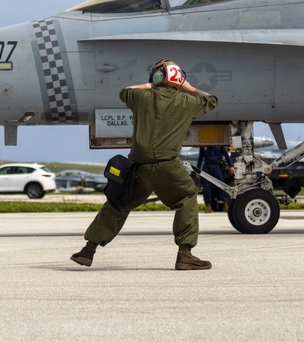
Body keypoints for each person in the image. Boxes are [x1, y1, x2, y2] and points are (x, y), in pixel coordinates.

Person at [71, 59, 218, 270]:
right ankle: (184, 254)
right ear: (178, 81)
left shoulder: (141, 97)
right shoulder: (188, 103)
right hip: (169, 166)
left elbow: (124, 92)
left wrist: (150, 85)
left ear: (158, 78)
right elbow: (211, 100)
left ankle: (88, 250)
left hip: (139, 166)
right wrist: (188, 88)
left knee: (119, 202)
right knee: (186, 197)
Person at [195, 145, 234, 213]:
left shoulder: (219, 144)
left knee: (221, 185)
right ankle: (208, 206)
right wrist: (198, 170)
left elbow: (226, 154)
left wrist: (231, 165)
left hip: (216, 166)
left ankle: (225, 204)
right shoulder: (204, 145)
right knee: (207, 187)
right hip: (207, 166)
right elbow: (200, 157)